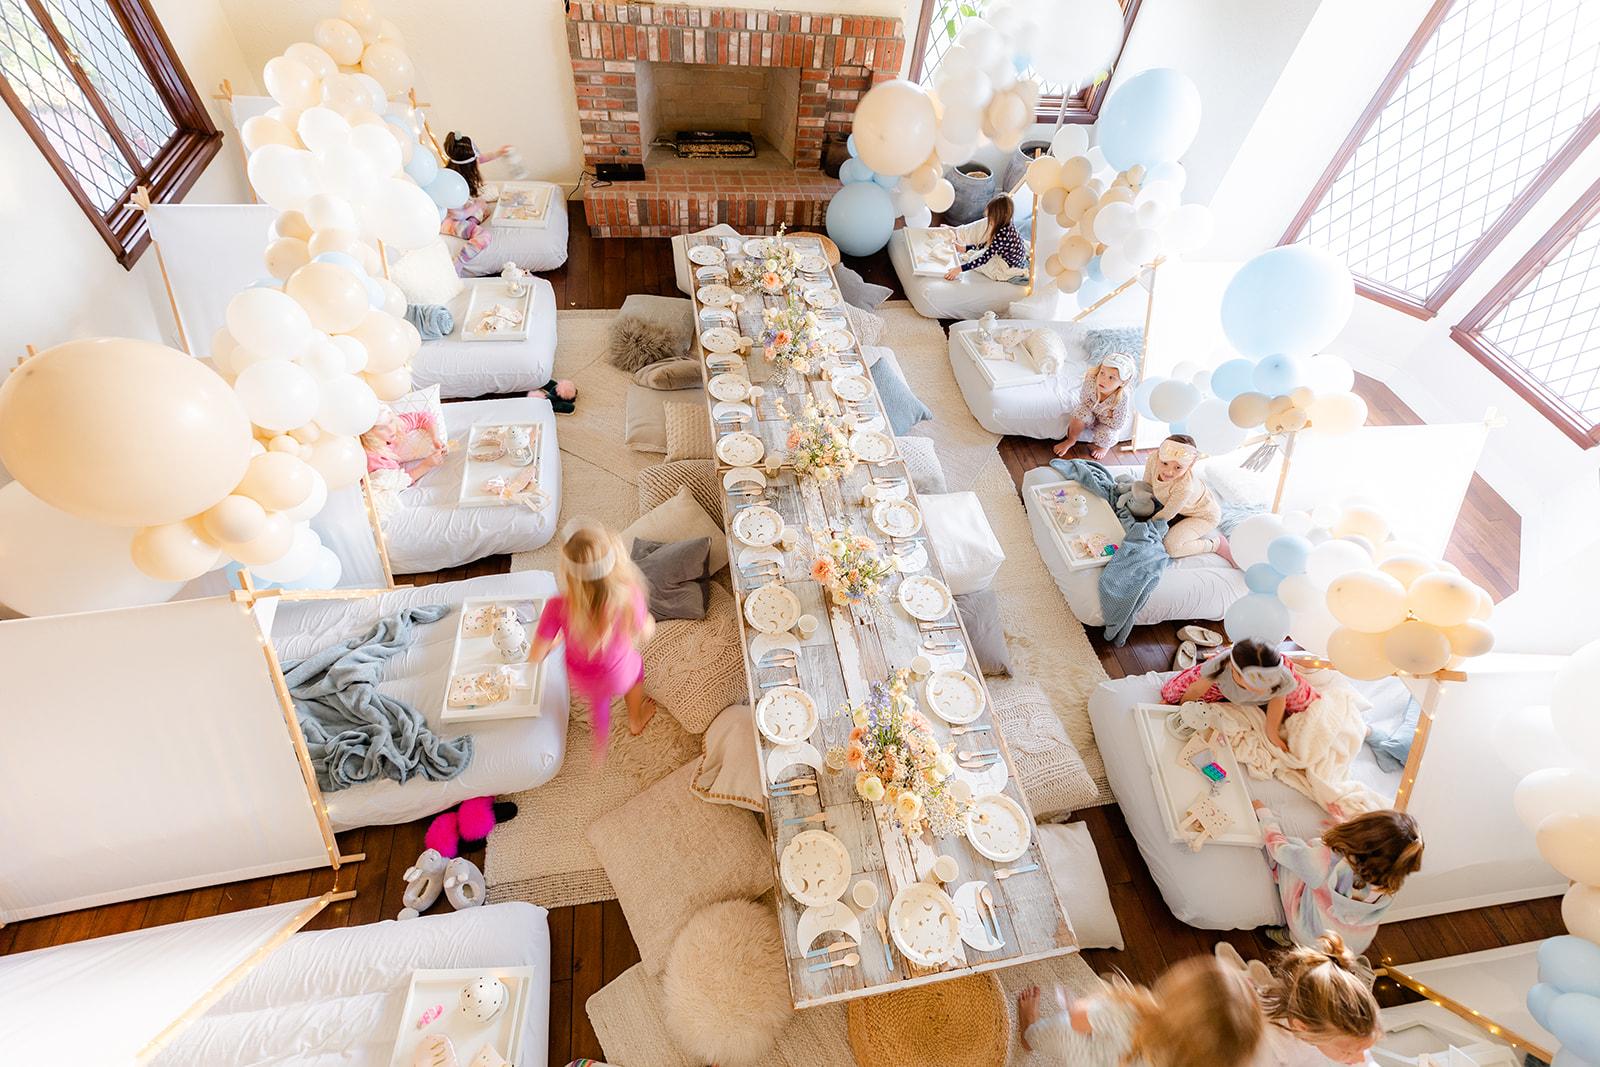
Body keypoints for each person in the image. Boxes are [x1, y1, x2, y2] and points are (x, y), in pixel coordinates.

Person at [526, 520, 658, 764]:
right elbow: (645, 631)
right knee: (636, 664)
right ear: (615, 562)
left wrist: (552, 643)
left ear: (568, 573)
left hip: (580, 678)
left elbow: (535, 654)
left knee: (598, 701)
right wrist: (646, 620)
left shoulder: (557, 606)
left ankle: (599, 748)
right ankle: (635, 719)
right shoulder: (629, 597)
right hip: (619, 676)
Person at [1017, 955, 1264, 1067]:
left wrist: (1084, 1005)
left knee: (1055, 1030)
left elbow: (1079, 1020)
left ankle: (1029, 1033)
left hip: (1082, 1053)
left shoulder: (1127, 1012)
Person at [1254, 802, 1424, 953]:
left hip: (1309, 933)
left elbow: (1279, 850)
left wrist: (1265, 817)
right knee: (1315, 868)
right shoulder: (1390, 881)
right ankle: (1300, 940)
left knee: (1297, 848)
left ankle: (1291, 936)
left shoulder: (1325, 861)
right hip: (1347, 947)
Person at [1161, 638, 1317, 753]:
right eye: (1256, 684)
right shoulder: (1220, 666)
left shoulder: (1283, 678)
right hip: (1225, 684)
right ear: (1233, 670)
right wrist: (1182, 708)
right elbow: (1195, 690)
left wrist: (1272, 732)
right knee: (1171, 693)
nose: (1263, 690)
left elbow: (1278, 701)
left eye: (1268, 685)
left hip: (1267, 680)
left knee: (1312, 707)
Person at [1251, 934, 1383, 1067]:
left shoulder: (1348, 1033)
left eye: (1364, 1048)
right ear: (1304, 1029)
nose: (1360, 1058)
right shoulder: (1269, 1046)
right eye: (1347, 1052)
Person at [1146, 434, 1235, 564]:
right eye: (1164, 463)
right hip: (1183, 509)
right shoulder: (1153, 458)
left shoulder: (1184, 488)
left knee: (1171, 548)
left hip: (1204, 516)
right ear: (1158, 454)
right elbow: (1146, 485)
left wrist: (1143, 524)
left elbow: (1165, 515)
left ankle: (1215, 544)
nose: (1169, 472)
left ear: (1191, 465)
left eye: (1178, 467)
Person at [1054, 352, 1136, 460]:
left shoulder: (1122, 397)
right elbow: (1084, 400)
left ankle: (1103, 448)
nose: (1103, 380)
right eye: (1102, 373)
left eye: (1111, 377)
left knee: (1107, 435)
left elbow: (1117, 424)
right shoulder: (1092, 380)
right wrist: (1107, 413)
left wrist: (1097, 411)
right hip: (1096, 414)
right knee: (1079, 412)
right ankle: (1071, 440)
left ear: (1123, 383)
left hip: (1107, 424)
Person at [944, 194, 1028, 282]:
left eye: (991, 218)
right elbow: (989, 244)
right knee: (978, 251)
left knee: (977, 259)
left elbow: (984, 259)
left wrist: (959, 269)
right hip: (1014, 257)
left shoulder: (1003, 235)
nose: (989, 221)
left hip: (1009, 265)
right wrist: (965, 248)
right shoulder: (1007, 224)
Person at [361, 403, 447, 484]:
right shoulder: (374, 457)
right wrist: (427, 465)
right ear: (369, 434)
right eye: (382, 428)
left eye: (391, 421)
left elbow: (424, 416)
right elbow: (399, 481)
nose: (391, 429)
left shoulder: (395, 426)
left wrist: (435, 438)